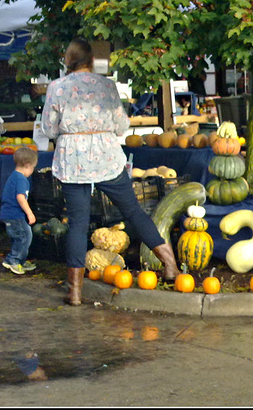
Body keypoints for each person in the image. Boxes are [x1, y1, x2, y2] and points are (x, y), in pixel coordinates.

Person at [40, 38, 180, 306]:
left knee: (78, 224)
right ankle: (170, 265)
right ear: (91, 60)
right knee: (133, 211)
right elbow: (121, 126)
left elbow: (48, 129)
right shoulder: (107, 85)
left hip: (73, 160)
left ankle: (76, 292)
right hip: (106, 157)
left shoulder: (57, 88)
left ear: (67, 61)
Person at [0, 146, 39, 275]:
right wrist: (30, 213)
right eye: (32, 167)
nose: (32, 171)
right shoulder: (21, 179)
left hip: (9, 214)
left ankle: (20, 260)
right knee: (25, 237)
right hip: (15, 215)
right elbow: (21, 198)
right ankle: (13, 260)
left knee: (19, 238)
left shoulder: (14, 176)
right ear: (27, 165)